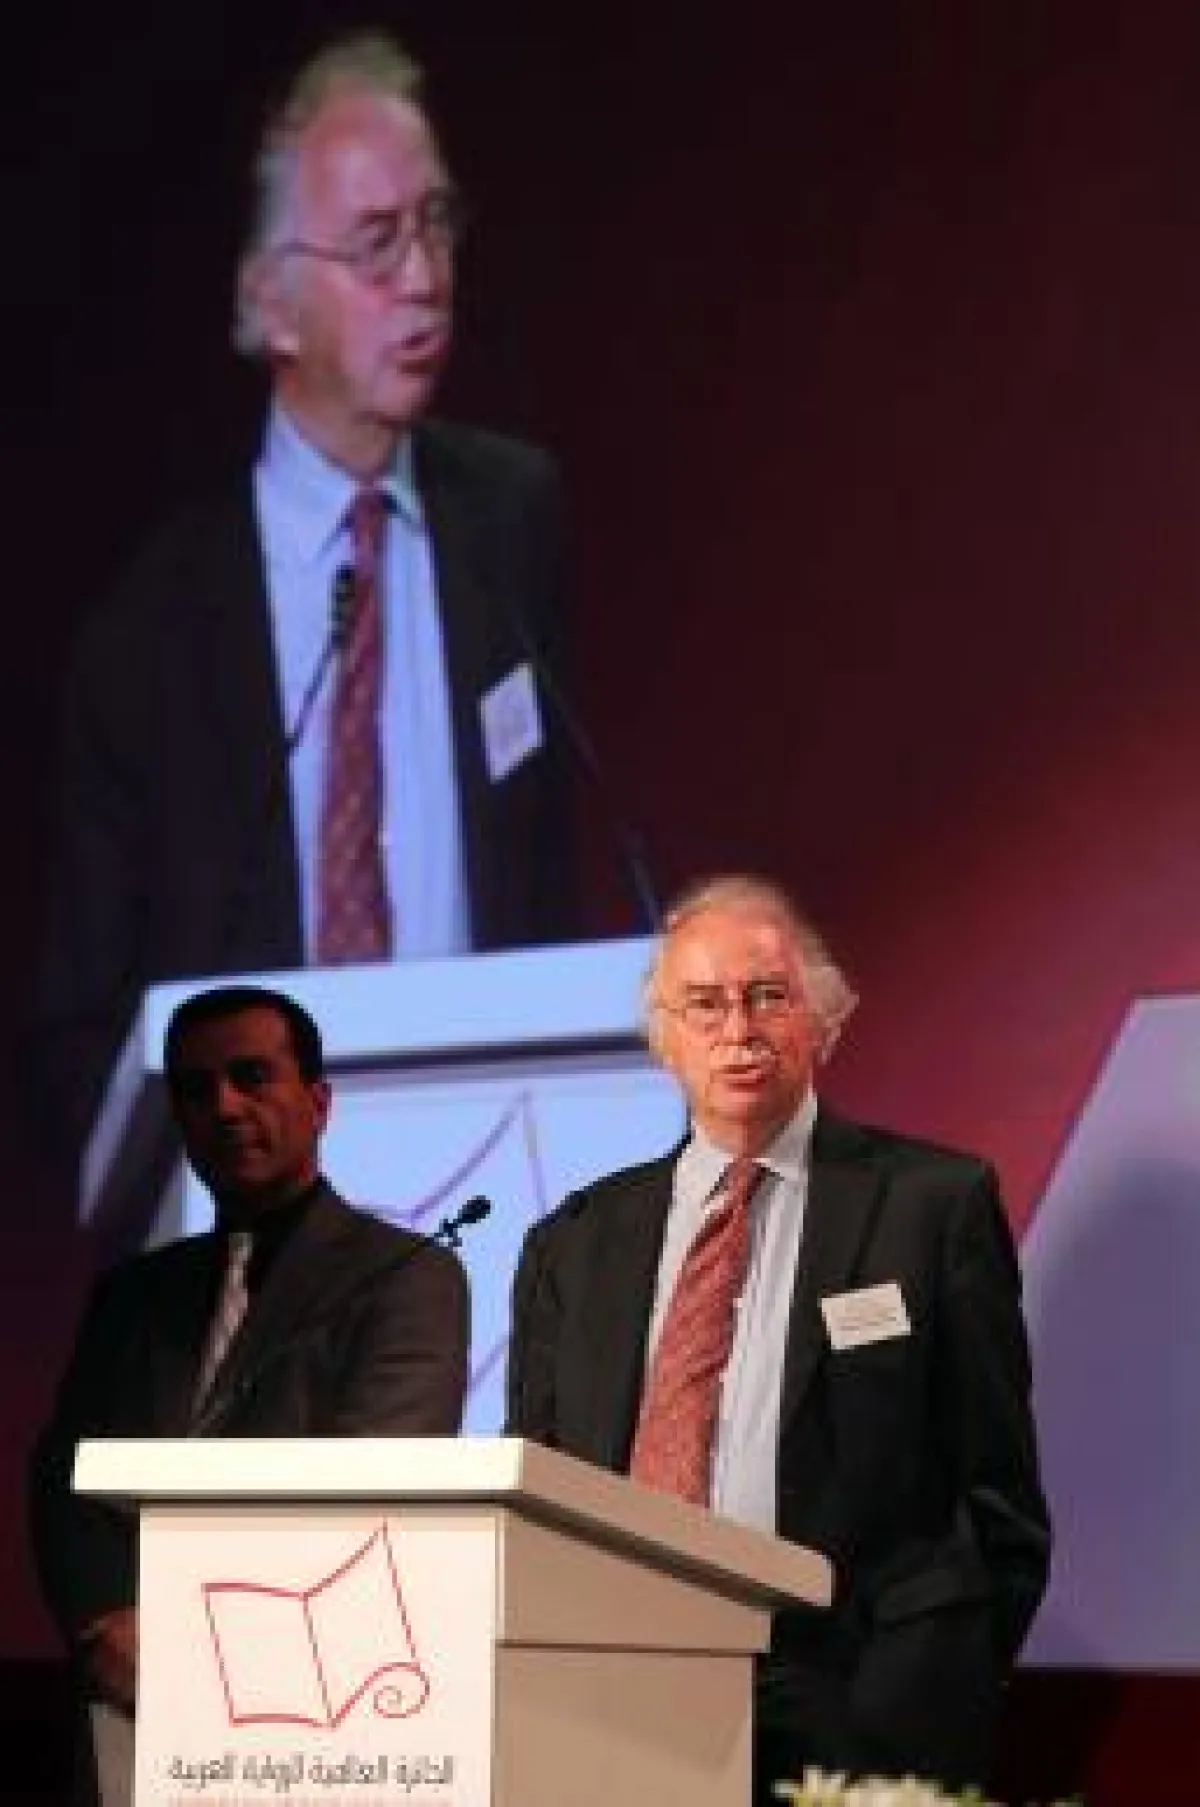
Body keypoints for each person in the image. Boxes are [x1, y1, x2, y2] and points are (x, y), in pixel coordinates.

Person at [27, 28, 575, 1174]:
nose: (425, 277)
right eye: (377, 244)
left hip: (489, 1163)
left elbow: (543, 885)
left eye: (436, 224)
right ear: (270, 302)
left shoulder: (509, 520)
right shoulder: (148, 636)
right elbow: (78, 1027)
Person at [505, 875, 1050, 1796]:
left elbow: (998, 1481)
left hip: (864, 1692)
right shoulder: (574, 1242)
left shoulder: (931, 1206)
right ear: (665, 1037)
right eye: (705, 1003)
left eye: (767, 996)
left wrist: (945, 1671)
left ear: (821, 1019)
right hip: (623, 1685)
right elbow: (544, 1479)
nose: (740, 1029)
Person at [28, 983, 469, 1807]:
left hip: (309, 1707)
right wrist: (106, 1621)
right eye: (196, 1089)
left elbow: (369, 1479)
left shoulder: (407, 1276)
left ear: (320, 1101)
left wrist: (194, 1640)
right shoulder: (131, 1294)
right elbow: (64, 1478)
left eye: (251, 1076)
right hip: (127, 1707)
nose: (225, 1106)